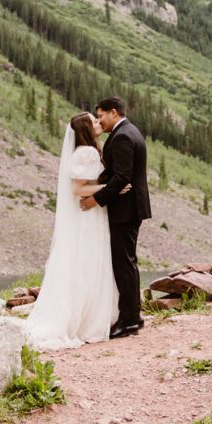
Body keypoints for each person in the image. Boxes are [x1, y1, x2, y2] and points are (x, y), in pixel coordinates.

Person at [25, 112, 125, 350]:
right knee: (88, 263)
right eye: (93, 122)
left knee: (85, 263)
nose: (98, 123)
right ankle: (85, 321)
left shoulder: (85, 151)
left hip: (90, 214)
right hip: (88, 216)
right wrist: (112, 188)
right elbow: (78, 189)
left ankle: (85, 318)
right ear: (85, 130)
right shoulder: (87, 152)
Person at [80, 96, 151, 338]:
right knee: (127, 263)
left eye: (101, 116)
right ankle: (133, 316)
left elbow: (121, 177)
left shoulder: (121, 136)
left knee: (124, 264)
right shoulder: (129, 131)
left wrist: (93, 200)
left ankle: (129, 320)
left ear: (113, 112)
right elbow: (115, 175)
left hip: (126, 209)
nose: (100, 120)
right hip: (128, 208)